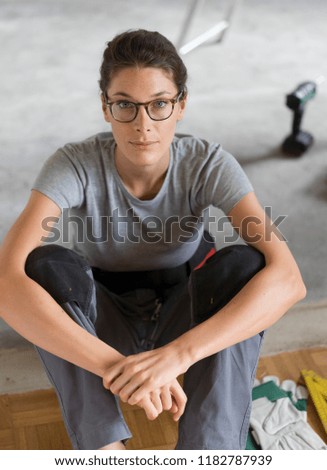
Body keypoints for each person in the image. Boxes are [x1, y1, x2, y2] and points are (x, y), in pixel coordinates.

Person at [0, 29, 306, 450]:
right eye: (125, 104)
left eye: (159, 104)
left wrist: (177, 356)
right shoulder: (74, 164)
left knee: (245, 264)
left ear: (181, 106)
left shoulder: (209, 163)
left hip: (184, 309)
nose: (143, 125)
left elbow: (289, 279)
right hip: (105, 318)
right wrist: (114, 365)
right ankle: (105, 448)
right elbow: (6, 282)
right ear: (106, 108)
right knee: (43, 265)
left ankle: (208, 450)